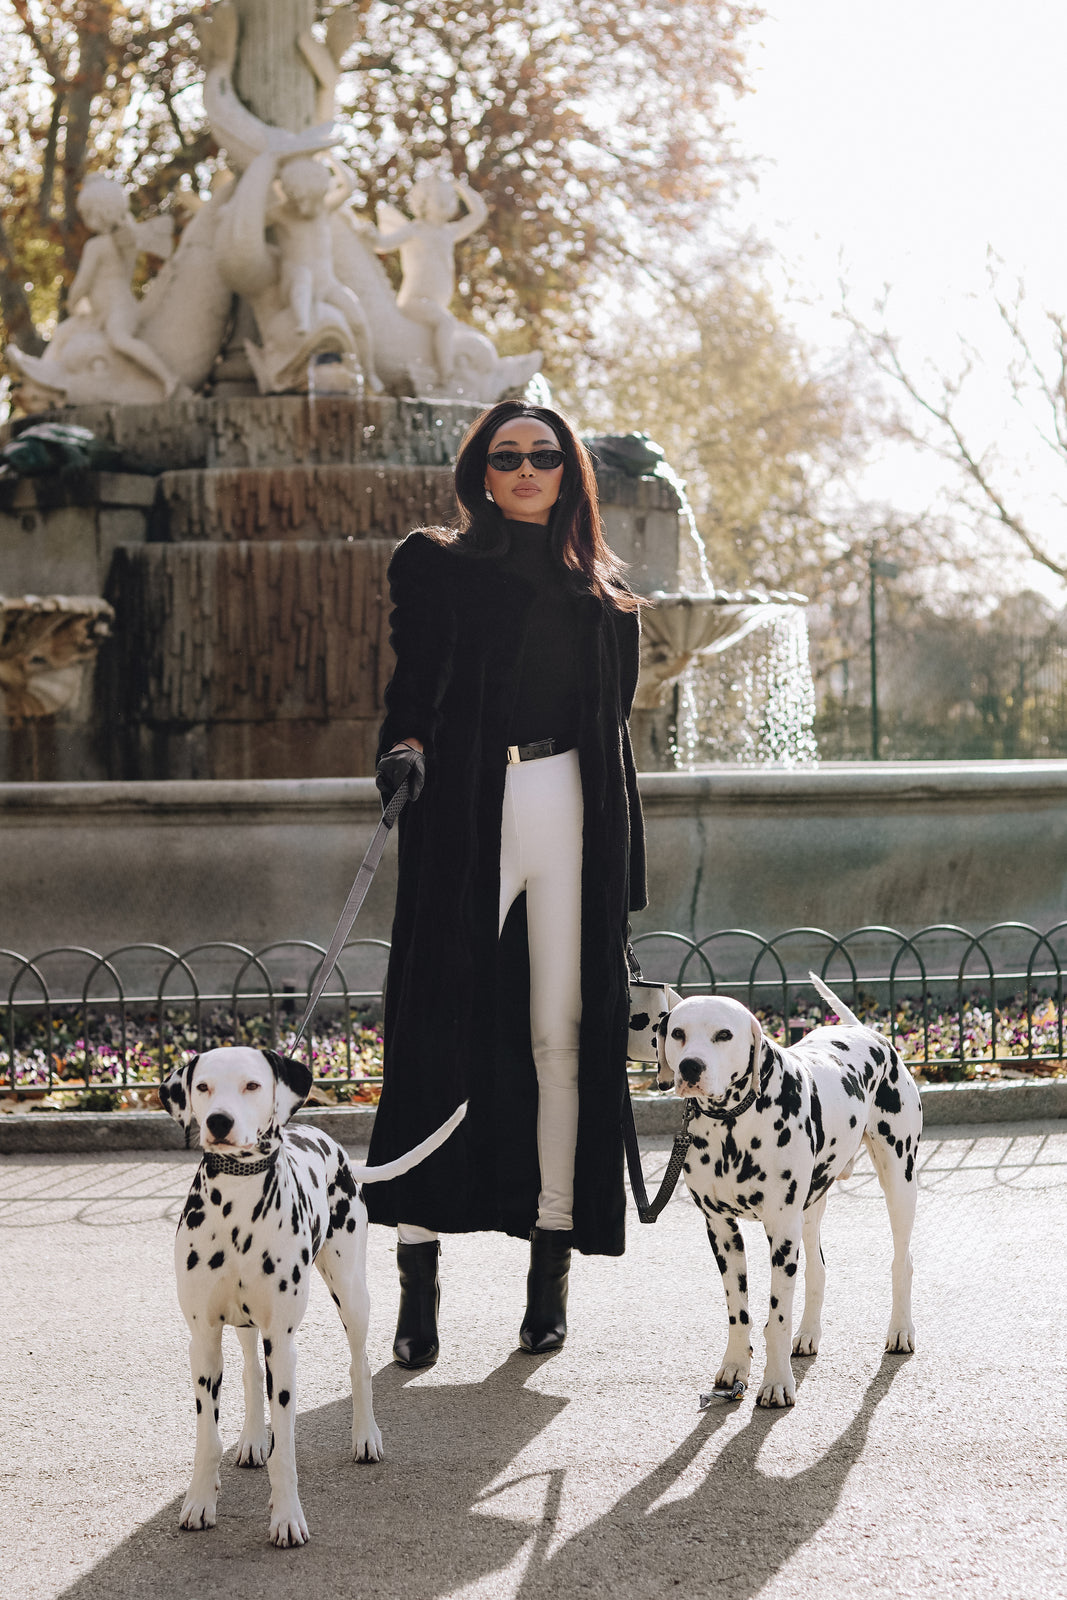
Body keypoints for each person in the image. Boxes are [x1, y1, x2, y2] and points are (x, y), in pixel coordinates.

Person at [367, 401, 647, 1366]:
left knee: (559, 1038)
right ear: (480, 474)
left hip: (570, 807)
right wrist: (401, 748)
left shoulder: (602, 594)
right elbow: (413, 687)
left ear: (570, 472)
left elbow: (613, 735)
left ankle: (550, 1262)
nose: (525, 470)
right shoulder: (434, 563)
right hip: (466, 814)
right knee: (430, 1028)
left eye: (544, 456)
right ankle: (416, 1276)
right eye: (507, 457)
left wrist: (623, 868)